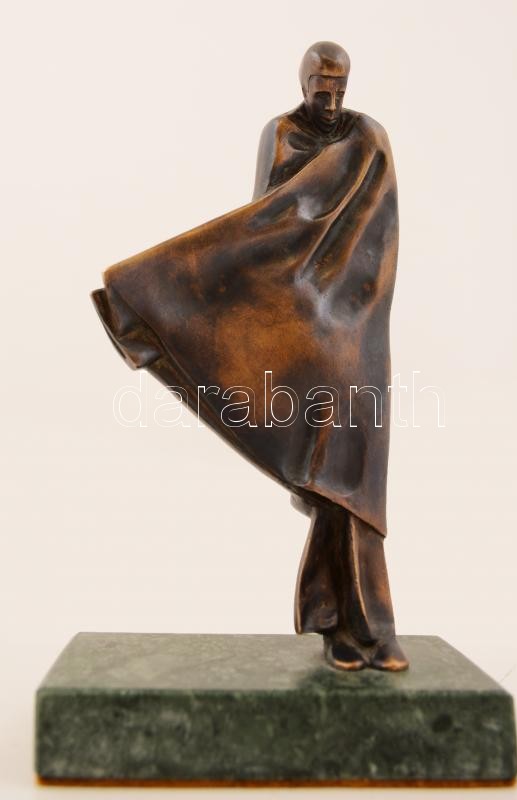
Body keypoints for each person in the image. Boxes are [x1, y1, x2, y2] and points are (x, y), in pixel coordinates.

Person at [92, 41, 408, 672]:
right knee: (329, 472)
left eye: (340, 88)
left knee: (355, 472)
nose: (331, 99)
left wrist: (347, 300)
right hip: (295, 319)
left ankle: (354, 621)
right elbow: (266, 224)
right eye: (321, 87)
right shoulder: (284, 133)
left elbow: (380, 231)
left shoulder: (368, 139)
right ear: (303, 83)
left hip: (355, 324)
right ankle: (356, 625)